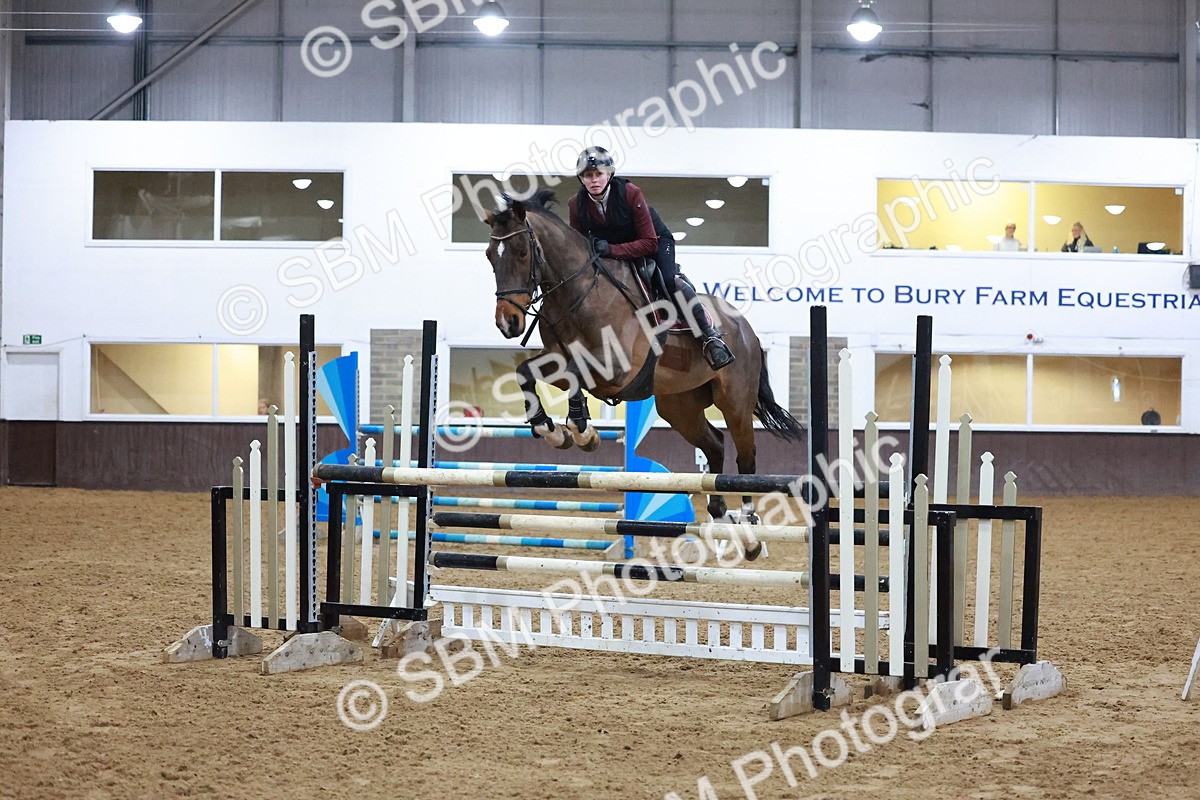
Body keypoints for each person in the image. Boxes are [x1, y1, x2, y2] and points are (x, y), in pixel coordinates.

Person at [567, 146, 734, 371]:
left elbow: (649, 242)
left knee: (668, 280)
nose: (594, 180)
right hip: (609, 252)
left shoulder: (629, 193)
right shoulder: (576, 205)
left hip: (653, 243)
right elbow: (578, 245)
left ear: (609, 174)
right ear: (581, 179)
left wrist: (612, 250)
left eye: (598, 174)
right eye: (588, 175)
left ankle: (711, 337)